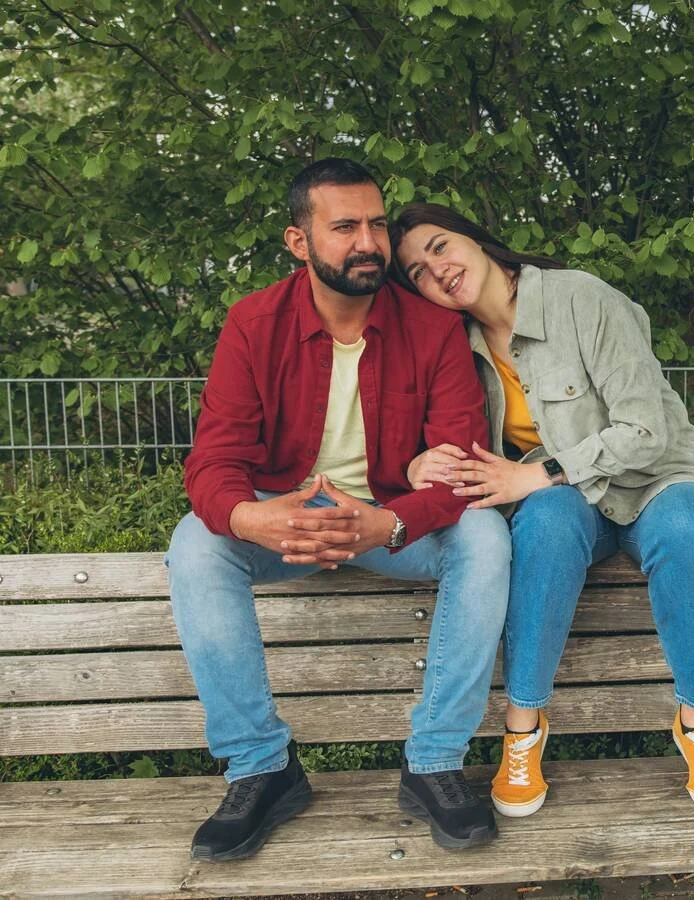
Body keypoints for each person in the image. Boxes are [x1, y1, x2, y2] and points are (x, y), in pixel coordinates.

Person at [166, 160, 510, 860]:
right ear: (299, 241)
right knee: (196, 545)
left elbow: (462, 463)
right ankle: (263, 767)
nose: (369, 243)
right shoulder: (254, 322)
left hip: (391, 524)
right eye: (345, 226)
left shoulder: (432, 327)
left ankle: (435, 761)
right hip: (284, 519)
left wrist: (386, 521)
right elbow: (213, 461)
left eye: (377, 224)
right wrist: (254, 519)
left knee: (486, 534)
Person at [390, 203, 694, 820]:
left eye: (441, 247)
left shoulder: (582, 299)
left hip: (659, 479)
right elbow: (438, 436)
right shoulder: (458, 348)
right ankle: (523, 729)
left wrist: (538, 472)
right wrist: (416, 464)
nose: (437, 271)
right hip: (573, 501)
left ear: (476, 238)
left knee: (686, 529)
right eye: (417, 272)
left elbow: (646, 432)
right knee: (547, 523)